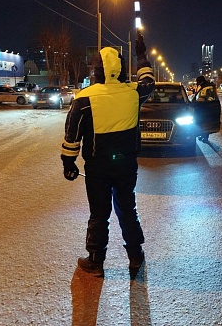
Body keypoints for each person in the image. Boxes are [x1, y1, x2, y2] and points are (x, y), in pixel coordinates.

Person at [61, 32, 155, 278]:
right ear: (122, 70)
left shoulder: (84, 100)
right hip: (126, 165)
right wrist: (141, 55)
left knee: (99, 214)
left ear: (97, 70)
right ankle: (135, 256)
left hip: (97, 168)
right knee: (127, 209)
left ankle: (95, 261)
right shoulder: (133, 93)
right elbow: (149, 82)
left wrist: (68, 163)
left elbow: (72, 136)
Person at [194, 75, 217, 143]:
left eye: (198, 82)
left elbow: (208, 97)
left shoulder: (207, 87)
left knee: (206, 123)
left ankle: (206, 137)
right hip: (202, 107)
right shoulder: (204, 86)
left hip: (207, 107)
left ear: (200, 81)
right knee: (202, 123)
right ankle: (203, 135)